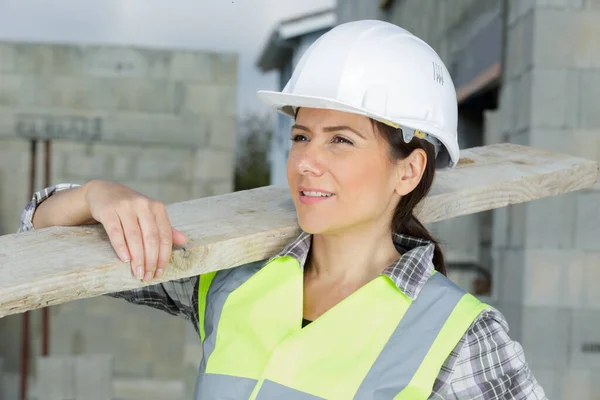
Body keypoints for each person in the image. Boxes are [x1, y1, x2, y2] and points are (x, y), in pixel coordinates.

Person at [17, 20, 546, 399]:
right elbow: (37, 234)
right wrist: (95, 196)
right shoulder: (230, 277)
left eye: (340, 141)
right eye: (301, 136)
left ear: (407, 171)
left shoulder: (460, 337)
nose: (306, 163)